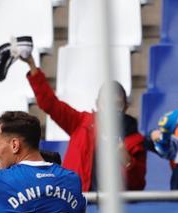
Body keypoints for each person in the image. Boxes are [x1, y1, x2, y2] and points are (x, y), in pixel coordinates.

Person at [22, 53, 146, 191]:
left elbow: (138, 185)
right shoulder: (80, 122)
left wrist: (127, 160)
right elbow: (49, 103)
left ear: (125, 107)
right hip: (77, 204)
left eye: (116, 104)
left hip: (115, 210)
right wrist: (32, 65)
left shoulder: (135, 140)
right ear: (98, 104)